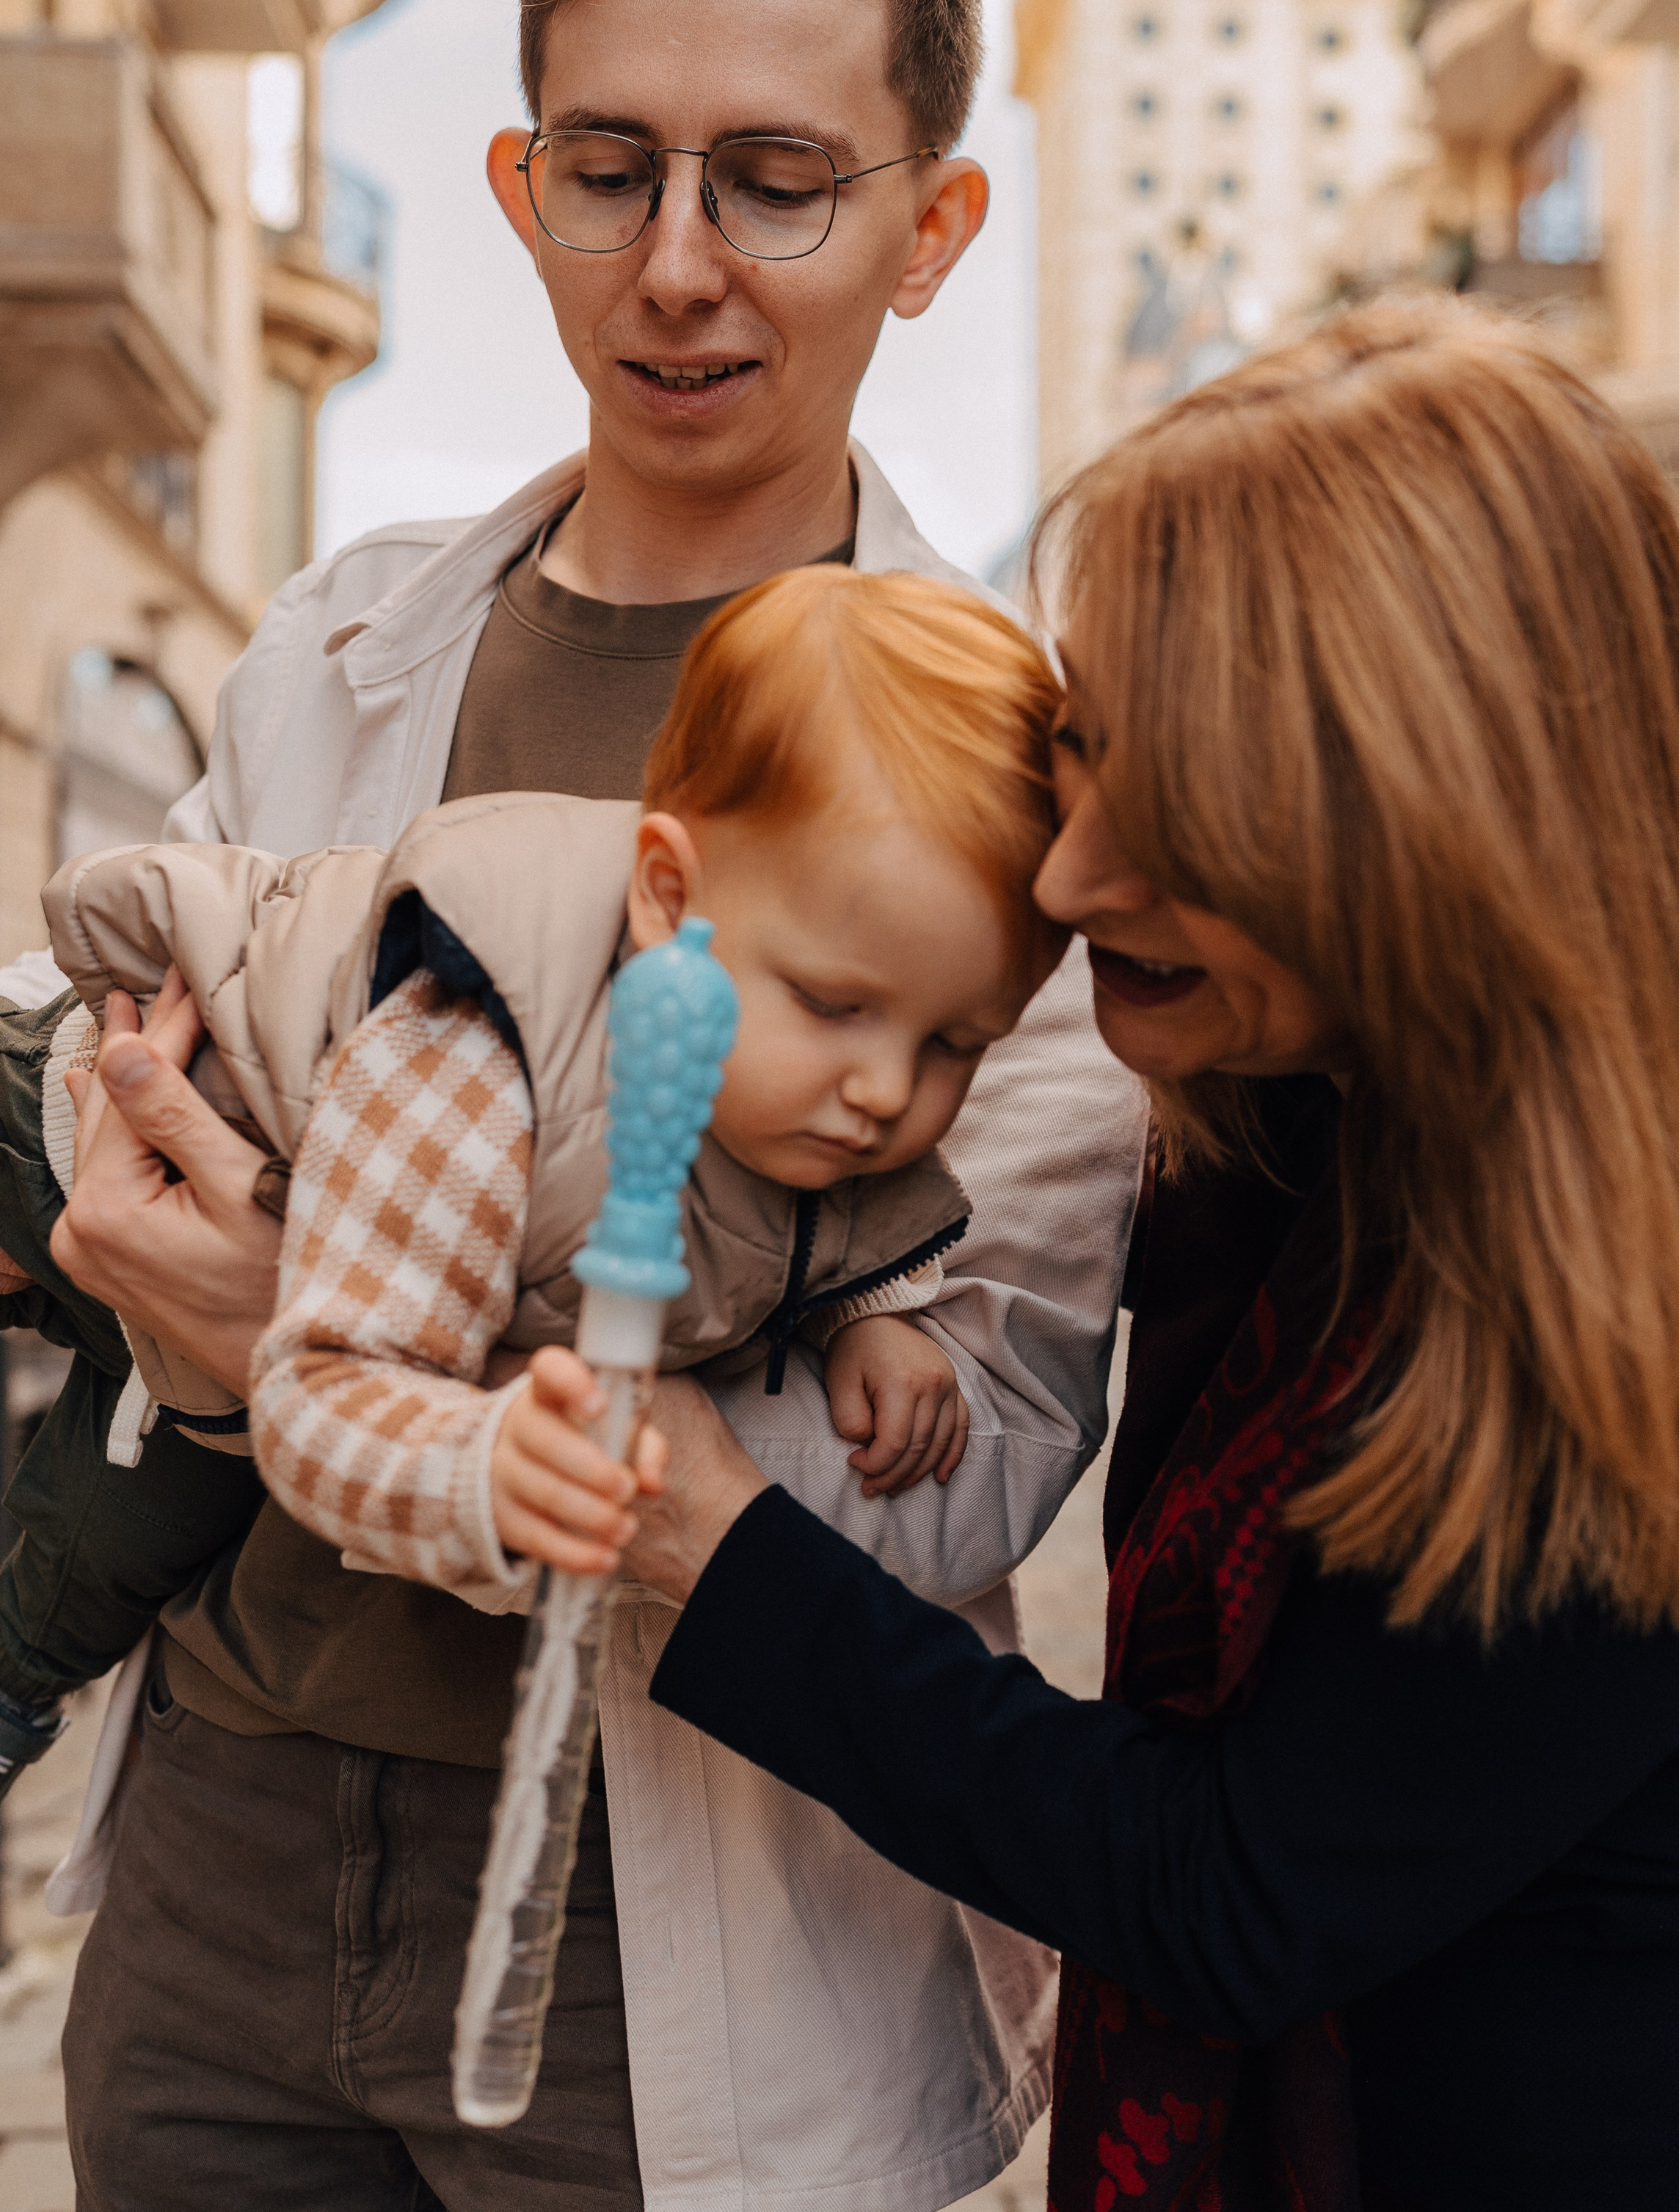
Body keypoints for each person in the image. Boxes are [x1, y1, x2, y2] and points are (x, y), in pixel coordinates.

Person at [28, 0, 1144, 2212]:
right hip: (234, 1846)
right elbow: (137, 1062)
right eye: (611, 170)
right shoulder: (336, 640)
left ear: (936, 218)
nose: (678, 263)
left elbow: (975, 1444)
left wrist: (351, 1336)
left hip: (692, 1925)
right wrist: (166, 1269)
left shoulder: (1029, 780)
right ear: (521, 183)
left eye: (777, 181)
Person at [558, 299, 1679, 2212]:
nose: (1070, 883)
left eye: (1188, 800)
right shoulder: (1309, 1110)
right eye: (1088, 754)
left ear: (1435, 810)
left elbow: (1242, 1883)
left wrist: (725, 1559)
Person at [0, 566, 1062, 1724]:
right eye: (834, 1006)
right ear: (668, 896)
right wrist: (466, 1459)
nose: (886, 1092)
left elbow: (833, 1223)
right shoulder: (486, 1064)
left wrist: (876, 1316)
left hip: (195, 1302)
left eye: (958, 1041)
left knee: (99, 1555)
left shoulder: (818, 1086)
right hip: (84, 1117)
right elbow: (326, 1388)